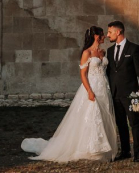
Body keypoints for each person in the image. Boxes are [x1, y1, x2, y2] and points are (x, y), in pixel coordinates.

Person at [20, 25, 119, 162]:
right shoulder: (87, 53)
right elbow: (83, 75)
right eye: (102, 34)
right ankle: (91, 149)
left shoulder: (102, 52)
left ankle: (103, 148)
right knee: (92, 115)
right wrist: (89, 91)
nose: (105, 37)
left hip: (104, 88)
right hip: (92, 87)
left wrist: (103, 62)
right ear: (96, 36)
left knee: (103, 115)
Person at [106, 20, 139, 163]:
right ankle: (125, 151)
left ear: (118, 32)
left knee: (134, 122)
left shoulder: (133, 49)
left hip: (131, 93)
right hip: (115, 93)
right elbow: (110, 72)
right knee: (121, 124)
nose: (108, 35)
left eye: (110, 32)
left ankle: (138, 152)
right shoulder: (110, 51)